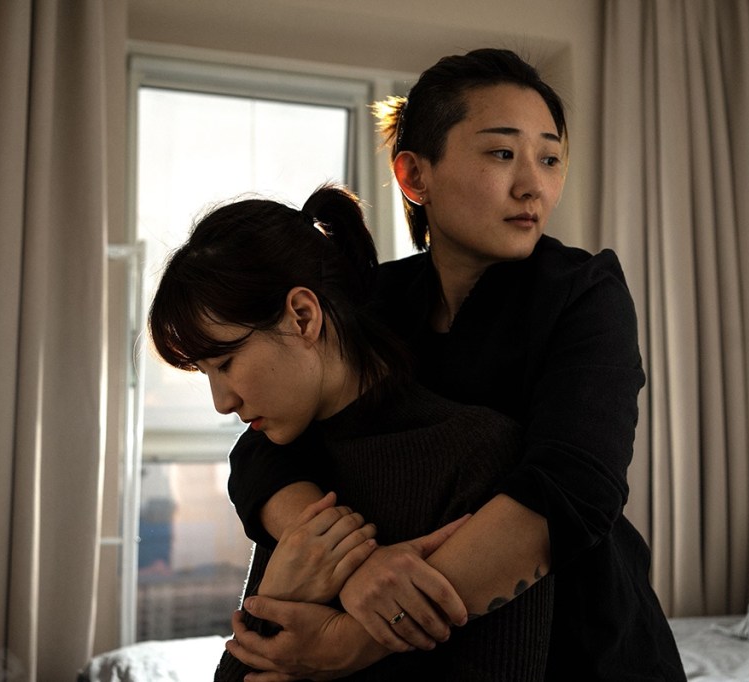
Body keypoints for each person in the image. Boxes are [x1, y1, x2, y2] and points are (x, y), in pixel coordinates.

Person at [223, 48, 686, 681]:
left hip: (585, 648)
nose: (533, 185)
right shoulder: (373, 302)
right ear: (415, 175)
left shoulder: (583, 292)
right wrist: (356, 565)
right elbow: (264, 451)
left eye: (550, 159)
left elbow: (572, 489)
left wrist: (359, 636)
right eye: (502, 153)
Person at [148, 185, 556, 680]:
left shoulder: (475, 454)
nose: (222, 402)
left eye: (226, 362)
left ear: (302, 317)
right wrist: (276, 594)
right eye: (206, 373)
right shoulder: (287, 471)